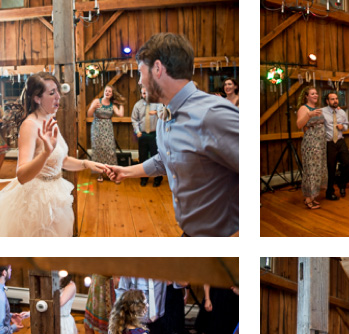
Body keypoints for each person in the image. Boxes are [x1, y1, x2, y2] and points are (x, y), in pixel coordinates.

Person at [107, 33, 239, 235]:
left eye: (141, 73)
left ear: (158, 69)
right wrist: (126, 172)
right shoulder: (165, 114)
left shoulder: (212, 114)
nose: (139, 82)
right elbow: (165, 158)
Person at [0, 72, 114, 236]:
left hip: (55, 194)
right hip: (36, 202)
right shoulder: (30, 125)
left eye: (57, 91)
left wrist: (86, 164)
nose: (58, 96)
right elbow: (21, 175)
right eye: (52, 93)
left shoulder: (50, 120)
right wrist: (45, 153)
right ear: (37, 98)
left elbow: (59, 160)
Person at [297, 86, 327, 209]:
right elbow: (299, 125)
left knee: (318, 169)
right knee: (310, 170)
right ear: (306, 96)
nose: (315, 95)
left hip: (320, 143)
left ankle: (313, 197)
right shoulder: (304, 108)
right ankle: (308, 198)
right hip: (311, 143)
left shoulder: (318, 108)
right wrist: (309, 115)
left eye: (316, 93)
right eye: (312, 93)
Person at [87, 84, 122, 180]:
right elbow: (89, 114)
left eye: (109, 91)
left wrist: (121, 104)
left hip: (108, 128)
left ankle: (112, 174)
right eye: (106, 91)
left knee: (109, 150)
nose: (107, 92)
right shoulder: (96, 101)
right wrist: (93, 107)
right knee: (98, 150)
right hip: (96, 127)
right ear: (104, 91)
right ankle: (100, 174)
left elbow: (120, 114)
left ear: (111, 94)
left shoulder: (112, 105)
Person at [321, 91, 349, 201]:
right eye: (332, 99)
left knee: (347, 163)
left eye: (336, 99)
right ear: (327, 101)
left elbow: (346, 126)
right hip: (329, 143)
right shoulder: (322, 112)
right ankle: (330, 192)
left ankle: (342, 185)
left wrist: (342, 127)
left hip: (340, 141)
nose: (335, 101)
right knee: (331, 168)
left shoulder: (342, 112)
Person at [131, 87, 165, 186]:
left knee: (156, 157)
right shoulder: (138, 105)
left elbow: (164, 114)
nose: (145, 95)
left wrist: (156, 113)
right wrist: (137, 131)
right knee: (143, 157)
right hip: (143, 135)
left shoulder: (158, 103)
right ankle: (144, 178)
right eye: (143, 93)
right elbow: (134, 119)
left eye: (147, 93)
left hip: (155, 135)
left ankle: (158, 178)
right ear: (141, 94)